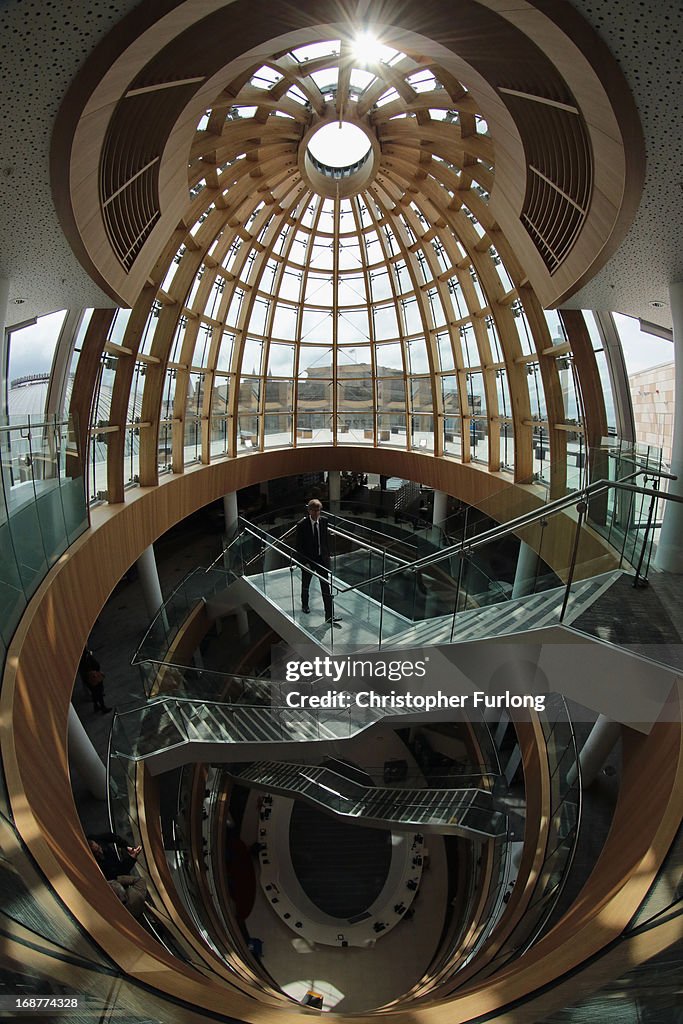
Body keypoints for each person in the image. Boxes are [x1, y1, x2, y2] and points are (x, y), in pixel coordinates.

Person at [295, 499, 341, 627]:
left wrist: (328, 556)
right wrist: (304, 562)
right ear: (309, 510)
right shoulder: (302, 525)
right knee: (306, 584)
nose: (316, 513)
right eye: (313, 510)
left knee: (326, 587)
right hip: (309, 560)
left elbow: (324, 540)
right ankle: (305, 604)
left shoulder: (324, 521)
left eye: (318, 510)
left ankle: (329, 616)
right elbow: (299, 547)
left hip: (322, 559)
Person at [79, 647, 111, 714]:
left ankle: (96, 706)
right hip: (93, 677)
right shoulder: (86, 658)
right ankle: (102, 707)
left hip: (90, 678)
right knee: (98, 691)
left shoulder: (82, 659)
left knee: (94, 692)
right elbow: (94, 665)